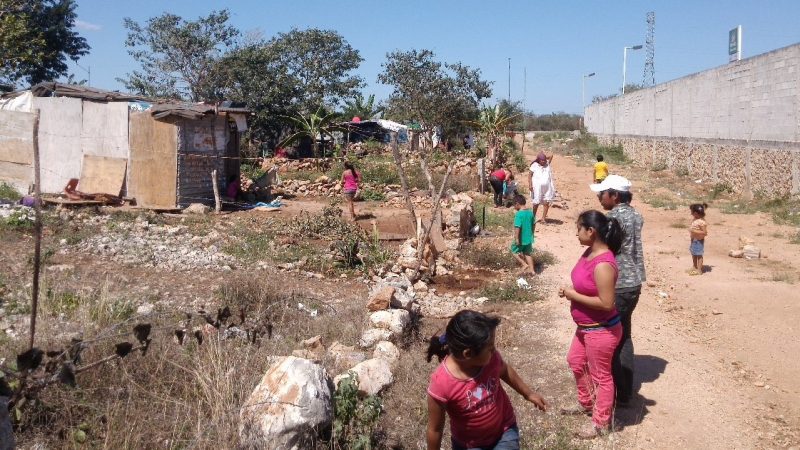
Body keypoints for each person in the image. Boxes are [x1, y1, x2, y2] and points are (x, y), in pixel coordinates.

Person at [426, 310, 547, 450]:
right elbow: (434, 430)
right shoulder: (442, 383)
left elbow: (505, 370)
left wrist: (529, 394)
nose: (494, 351)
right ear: (468, 354)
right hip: (469, 445)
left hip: (504, 431)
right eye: (490, 348)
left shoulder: (491, 360)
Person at [558, 210, 623, 439]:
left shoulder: (604, 264)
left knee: (601, 376)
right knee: (575, 361)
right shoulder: (588, 253)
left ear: (591, 231)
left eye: (579, 228)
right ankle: (587, 404)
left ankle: (600, 422)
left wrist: (571, 295)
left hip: (601, 330)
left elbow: (606, 303)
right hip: (586, 327)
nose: (576, 233)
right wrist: (572, 292)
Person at [590, 174, 645, 407]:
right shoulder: (636, 216)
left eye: (602, 193)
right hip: (634, 282)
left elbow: (603, 250)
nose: (599, 197)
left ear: (614, 195)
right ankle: (624, 390)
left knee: (608, 337)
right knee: (624, 336)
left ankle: (615, 392)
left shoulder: (610, 218)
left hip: (618, 284)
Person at [510, 194, 536, 277]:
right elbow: (534, 224)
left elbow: (517, 226)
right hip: (529, 238)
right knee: (527, 253)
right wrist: (532, 233)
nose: (514, 207)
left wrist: (517, 238)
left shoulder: (519, 214)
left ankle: (524, 264)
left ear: (517, 204)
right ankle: (532, 271)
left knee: (513, 251)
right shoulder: (531, 213)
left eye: (514, 205)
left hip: (521, 238)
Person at [529, 152, 555, 223]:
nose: (543, 161)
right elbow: (530, 175)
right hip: (537, 188)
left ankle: (543, 219)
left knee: (546, 203)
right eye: (542, 160)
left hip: (547, 187)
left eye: (544, 160)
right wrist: (530, 185)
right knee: (536, 203)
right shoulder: (534, 165)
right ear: (538, 160)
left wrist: (544, 157)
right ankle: (533, 217)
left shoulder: (547, 164)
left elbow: (551, 155)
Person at [688, 203, 708, 275]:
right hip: (693, 240)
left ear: (695, 213)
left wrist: (693, 231)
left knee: (699, 255)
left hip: (699, 241)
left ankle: (699, 269)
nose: (691, 214)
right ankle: (694, 266)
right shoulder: (695, 219)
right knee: (693, 253)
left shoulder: (702, 222)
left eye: (692, 212)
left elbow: (705, 233)